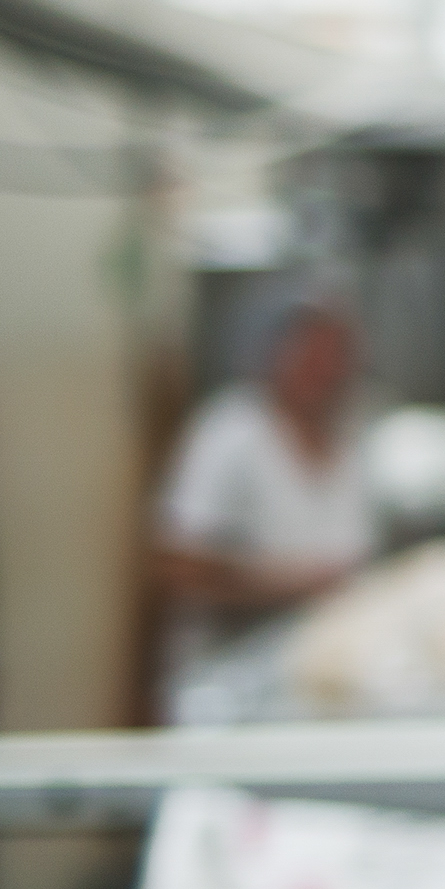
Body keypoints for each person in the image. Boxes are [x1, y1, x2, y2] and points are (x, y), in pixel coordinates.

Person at [154, 296, 373, 712]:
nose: (327, 372)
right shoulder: (232, 434)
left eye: (338, 358)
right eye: (314, 357)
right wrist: (292, 584)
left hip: (321, 689)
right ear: (278, 357)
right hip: (228, 686)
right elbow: (177, 565)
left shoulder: (355, 439)